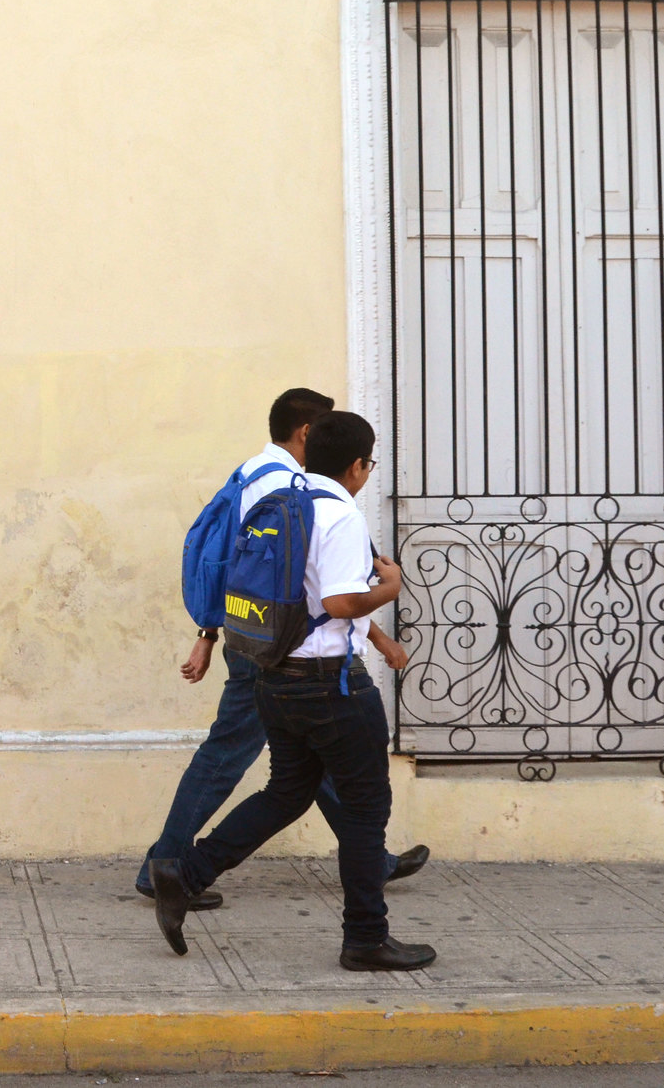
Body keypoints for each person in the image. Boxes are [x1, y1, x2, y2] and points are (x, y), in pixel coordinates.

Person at [150, 411, 437, 972]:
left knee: (287, 793)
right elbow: (338, 605)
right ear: (357, 466)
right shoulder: (341, 516)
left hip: (275, 678)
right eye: (369, 464)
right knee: (364, 810)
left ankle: (182, 874)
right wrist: (391, 589)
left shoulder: (286, 504)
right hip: (332, 684)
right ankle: (365, 938)